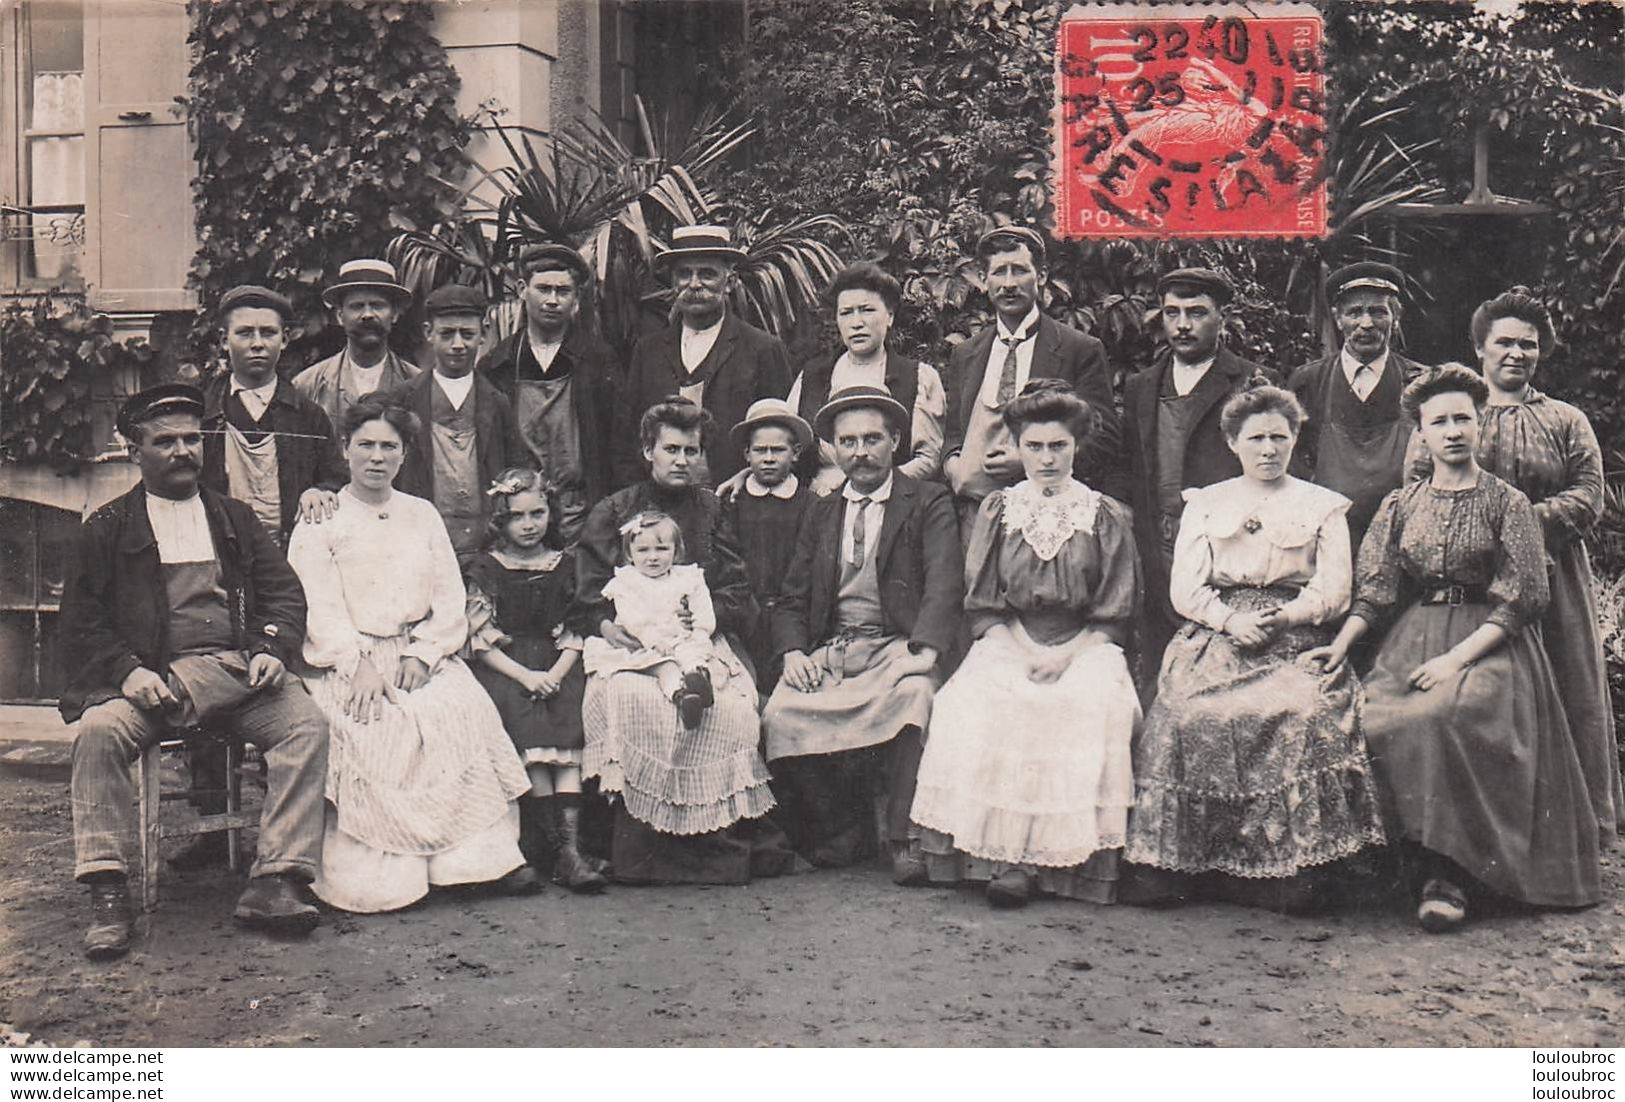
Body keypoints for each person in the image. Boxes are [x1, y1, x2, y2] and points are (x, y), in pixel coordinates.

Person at [1305, 365, 1602, 931]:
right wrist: (1340, 646)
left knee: (1446, 714)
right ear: (1422, 432)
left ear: (1480, 424)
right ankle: (1407, 864)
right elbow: (1376, 590)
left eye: (1463, 418)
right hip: (1413, 635)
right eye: (1439, 422)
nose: (1453, 431)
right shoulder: (1402, 504)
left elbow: (1523, 599)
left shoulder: (1507, 503)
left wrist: (1455, 659)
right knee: (1370, 719)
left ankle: (1452, 875)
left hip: (1489, 642)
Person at [61, 384, 330, 959]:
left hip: (238, 679)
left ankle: (275, 878)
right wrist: (128, 671)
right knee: (98, 731)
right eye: (165, 442)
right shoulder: (107, 527)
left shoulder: (234, 518)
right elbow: (82, 623)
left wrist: (267, 648)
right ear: (135, 450)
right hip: (149, 683)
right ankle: (107, 887)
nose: (183, 451)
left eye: (191, 439)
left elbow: (284, 595)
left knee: (304, 723)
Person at [1123, 384, 1386, 912]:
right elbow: (1186, 588)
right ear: (1232, 442)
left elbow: (1334, 590)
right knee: (1181, 713)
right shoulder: (1207, 502)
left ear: (1295, 441)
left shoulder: (1322, 507)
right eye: (1256, 438)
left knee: (1301, 712)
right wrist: (1228, 620)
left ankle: (1291, 869)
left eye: (1279, 438)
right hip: (1219, 633)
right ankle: (1183, 864)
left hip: (1295, 633)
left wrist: (1286, 616)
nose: (1268, 449)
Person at [287, 400, 542, 913]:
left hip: (418, 651)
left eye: (389, 447)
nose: (377, 458)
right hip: (350, 658)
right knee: (374, 726)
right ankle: (386, 871)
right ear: (345, 450)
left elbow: (449, 595)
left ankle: (473, 862)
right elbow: (316, 603)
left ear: (404, 455)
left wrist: (425, 655)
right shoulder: (322, 519)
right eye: (366, 445)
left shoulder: (421, 513)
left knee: (459, 709)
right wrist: (355, 664)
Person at [909, 381, 1140, 908]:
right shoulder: (999, 509)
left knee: (1085, 704)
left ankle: (1048, 863)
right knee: (971, 701)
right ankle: (991, 857)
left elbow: (1116, 609)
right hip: (1009, 638)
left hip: (1087, 642)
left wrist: (1063, 655)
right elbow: (984, 604)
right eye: (1033, 446)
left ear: (1077, 446)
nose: (1046, 458)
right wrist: (1026, 651)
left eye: (1058, 446)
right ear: (1015, 447)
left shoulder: (1104, 514)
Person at [1406, 289, 1624, 844]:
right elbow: (1414, 489)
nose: (1516, 354)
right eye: (1504, 342)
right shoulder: (1450, 417)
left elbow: (1588, 495)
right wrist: (1473, 537)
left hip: (1553, 576)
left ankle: (1567, 827)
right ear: (1479, 347)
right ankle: (1482, 831)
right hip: (1469, 583)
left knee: (1563, 688)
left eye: (1528, 345)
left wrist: (1517, 523)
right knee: (1478, 695)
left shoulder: (1565, 419)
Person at [574, 397, 789, 884]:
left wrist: (700, 617)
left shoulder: (711, 508)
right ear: (648, 450)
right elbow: (588, 592)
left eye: (691, 451)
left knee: (731, 710)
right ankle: (635, 852)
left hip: (699, 637)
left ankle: (715, 848)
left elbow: (737, 587)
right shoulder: (615, 509)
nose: (681, 461)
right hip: (631, 643)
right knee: (626, 697)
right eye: (671, 449)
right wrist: (609, 626)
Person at [762, 386, 964, 881]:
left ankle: (902, 839)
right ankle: (837, 831)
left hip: (898, 645)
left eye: (873, 439)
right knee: (780, 713)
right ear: (832, 449)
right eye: (848, 441)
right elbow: (791, 595)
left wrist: (926, 650)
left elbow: (945, 579)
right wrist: (792, 652)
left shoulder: (927, 500)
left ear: (896, 441)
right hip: (835, 649)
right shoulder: (822, 509)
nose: (861, 452)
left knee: (916, 697)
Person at [1122, 268, 1275, 684]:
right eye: (1172, 313)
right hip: (1158, 543)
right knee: (1159, 665)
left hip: (1224, 548)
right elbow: (1128, 467)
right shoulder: (1141, 387)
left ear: (1222, 318)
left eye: (1196, 312)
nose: (1183, 325)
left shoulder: (1250, 382)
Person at [465, 468, 605, 893]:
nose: (529, 525)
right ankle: (555, 848)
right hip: (507, 666)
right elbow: (480, 640)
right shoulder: (486, 567)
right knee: (530, 729)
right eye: (517, 516)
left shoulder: (566, 564)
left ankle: (570, 849)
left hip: (559, 662)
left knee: (567, 724)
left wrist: (556, 673)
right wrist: (526, 675)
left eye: (538, 514)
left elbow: (578, 628)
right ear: (501, 521)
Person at [943, 226, 1121, 543]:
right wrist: (953, 466)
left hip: (1048, 517)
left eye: (1020, 270)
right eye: (999, 272)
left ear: (1040, 276)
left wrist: (1029, 460)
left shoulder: (1078, 349)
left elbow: (1104, 438)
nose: (1009, 283)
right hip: (974, 519)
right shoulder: (965, 353)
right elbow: (953, 434)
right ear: (984, 281)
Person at [614, 225, 792, 489]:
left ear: (729, 282)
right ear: (674, 283)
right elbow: (628, 438)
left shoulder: (762, 349)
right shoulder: (647, 351)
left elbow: (781, 437)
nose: (694, 284)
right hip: (660, 507)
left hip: (735, 503)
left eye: (707, 274)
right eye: (685, 274)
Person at [477, 244, 620, 547]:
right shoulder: (497, 365)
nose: (553, 300)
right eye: (543, 289)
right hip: (520, 517)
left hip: (581, 513)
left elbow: (619, 448)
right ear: (522, 289)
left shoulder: (599, 361)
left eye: (563, 291)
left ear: (576, 298)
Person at [1288, 262, 1429, 546]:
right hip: (1328, 537)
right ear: (1338, 320)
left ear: (1396, 318)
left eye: (1378, 311)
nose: (1366, 324)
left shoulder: (1421, 382)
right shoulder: (1308, 381)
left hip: (1404, 536)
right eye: (1355, 313)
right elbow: (1292, 465)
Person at [382, 284, 528, 556]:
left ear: (483, 334)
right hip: (418, 542)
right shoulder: (403, 398)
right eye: (447, 334)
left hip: (484, 546)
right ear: (429, 333)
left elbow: (514, 468)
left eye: (467, 334)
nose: (458, 344)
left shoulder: (497, 401)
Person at [200, 284, 348, 546]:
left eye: (268, 333)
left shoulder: (309, 415)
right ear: (224, 340)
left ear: (285, 339)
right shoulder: (202, 414)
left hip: (291, 553)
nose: (257, 344)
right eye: (244, 333)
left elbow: (337, 479)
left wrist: (320, 490)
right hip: (222, 554)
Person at [784, 261, 947, 492]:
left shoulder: (919, 377)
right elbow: (785, 446)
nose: (856, 323)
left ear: (889, 316)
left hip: (892, 503)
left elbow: (929, 459)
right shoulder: (812, 376)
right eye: (846, 313)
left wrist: (869, 488)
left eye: (867, 310)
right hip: (819, 505)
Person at [583, 511, 732, 729]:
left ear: (676, 551)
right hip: (643, 642)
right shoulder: (627, 581)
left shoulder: (688, 577)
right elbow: (630, 616)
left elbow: (702, 607)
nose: (653, 557)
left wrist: (700, 631)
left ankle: (698, 678)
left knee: (692, 654)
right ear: (630, 554)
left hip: (680, 635)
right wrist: (651, 639)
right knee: (665, 666)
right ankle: (682, 698)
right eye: (643, 550)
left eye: (662, 549)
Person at [717, 398, 816, 686]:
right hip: (743, 618)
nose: (769, 458)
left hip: (795, 619)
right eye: (760, 450)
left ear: (795, 453)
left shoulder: (811, 504)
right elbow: (727, 562)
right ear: (746, 454)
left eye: (778, 450)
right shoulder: (731, 502)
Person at [293, 258, 419, 428]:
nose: (367, 314)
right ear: (339, 316)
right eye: (357, 306)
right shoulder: (308, 385)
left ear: (394, 314)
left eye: (377, 305)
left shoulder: (418, 384)